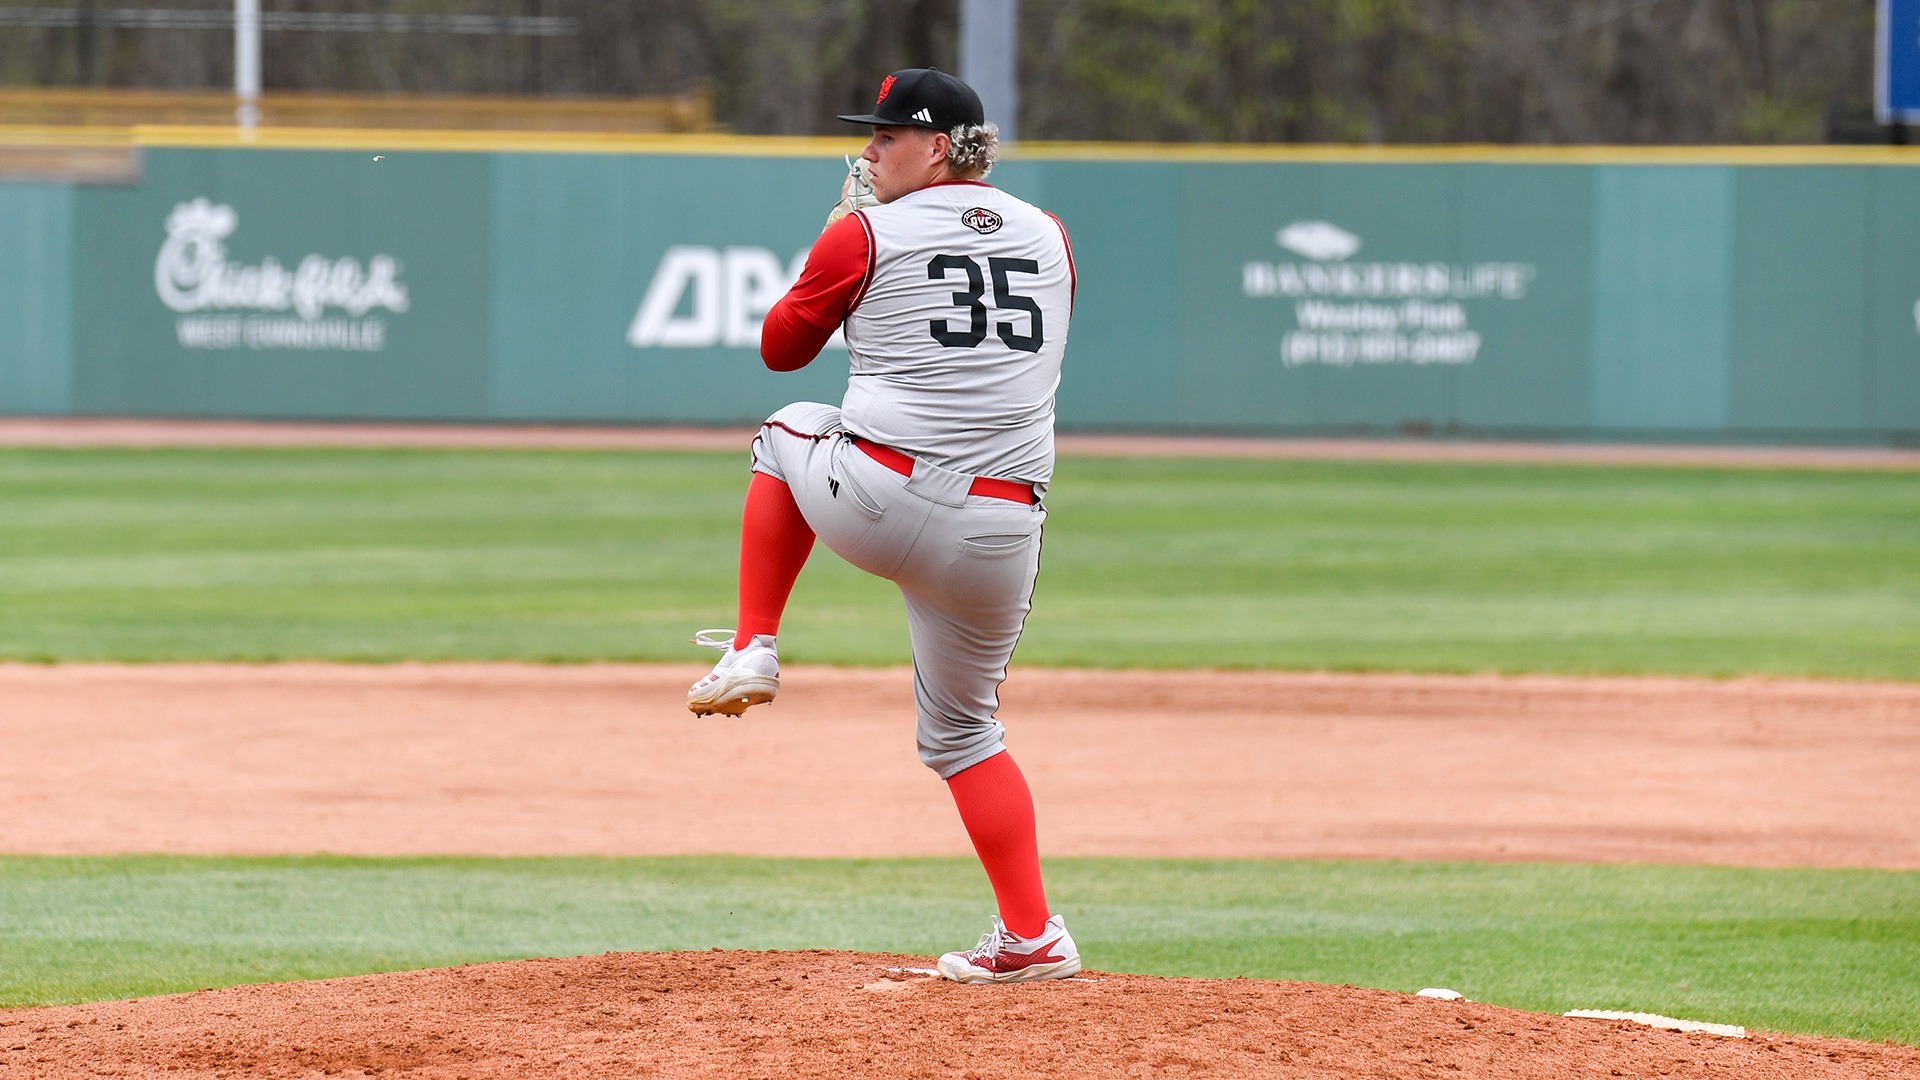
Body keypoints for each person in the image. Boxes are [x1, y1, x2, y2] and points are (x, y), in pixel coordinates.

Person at [685, 67, 1079, 984]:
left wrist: (834, 240)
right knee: (968, 734)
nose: (869, 149)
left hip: (881, 496)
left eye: (887, 135)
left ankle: (752, 644)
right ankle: (1032, 935)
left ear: (938, 147)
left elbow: (781, 352)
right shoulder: (1052, 235)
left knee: (786, 431)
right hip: (1003, 533)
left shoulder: (865, 232)